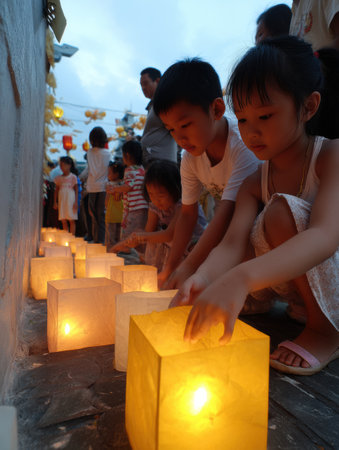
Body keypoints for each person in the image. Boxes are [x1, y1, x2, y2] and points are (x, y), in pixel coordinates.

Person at [172, 36, 339, 376]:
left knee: (278, 213)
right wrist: (202, 277)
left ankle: (326, 331)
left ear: (308, 107)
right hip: (296, 291)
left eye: (265, 115)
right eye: (243, 119)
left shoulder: (330, 156)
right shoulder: (253, 181)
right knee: (250, 235)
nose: (250, 133)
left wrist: (241, 279)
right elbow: (232, 243)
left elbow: (325, 235)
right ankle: (301, 310)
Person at [152, 58, 259, 288]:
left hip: (259, 229)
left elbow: (227, 214)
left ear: (217, 109)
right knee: (196, 252)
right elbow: (188, 215)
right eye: (171, 129)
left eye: (185, 125)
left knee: (203, 261)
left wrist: (188, 267)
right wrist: (170, 268)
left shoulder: (242, 147)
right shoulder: (190, 159)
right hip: (233, 231)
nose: (179, 138)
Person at [113, 160, 206, 270]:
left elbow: (169, 235)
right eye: (151, 194)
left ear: (174, 189)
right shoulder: (154, 206)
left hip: (192, 244)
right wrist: (129, 241)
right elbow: (149, 232)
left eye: (161, 195)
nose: (156, 200)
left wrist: (141, 237)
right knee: (152, 239)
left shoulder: (183, 205)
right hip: (172, 244)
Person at [107, 141, 148, 253]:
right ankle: (140, 252)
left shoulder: (129, 170)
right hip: (143, 207)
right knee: (140, 231)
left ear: (127, 155)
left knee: (128, 232)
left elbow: (128, 186)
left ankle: (124, 249)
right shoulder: (141, 169)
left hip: (133, 208)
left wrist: (114, 189)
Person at [140, 67, 178, 166]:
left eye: (145, 83)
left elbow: (178, 129)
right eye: (141, 85)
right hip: (152, 165)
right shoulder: (152, 106)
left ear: (157, 81)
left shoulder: (167, 101)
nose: (143, 88)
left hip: (163, 166)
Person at [87, 126, 111, 243]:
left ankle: (95, 240)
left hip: (91, 187)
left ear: (91, 139)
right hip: (103, 188)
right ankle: (100, 242)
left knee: (93, 216)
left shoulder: (89, 153)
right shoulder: (108, 154)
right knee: (101, 217)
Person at [53, 156, 78, 235]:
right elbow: (56, 190)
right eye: (60, 165)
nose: (61, 167)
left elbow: (76, 190)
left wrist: (76, 202)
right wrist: (55, 202)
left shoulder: (73, 177)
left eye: (63, 165)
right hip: (62, 200)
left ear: (69, 165)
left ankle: (72, 236)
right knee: (63, 219)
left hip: (70, 199)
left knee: (71, 219)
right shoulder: (58, 178)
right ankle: (66, 236)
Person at [105, 161, 124, 252]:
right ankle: (117, 248)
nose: (107, 175)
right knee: (118, 233)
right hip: (121, 212)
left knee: (110, 233)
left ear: (116, 174)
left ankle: (110, 249)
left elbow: (107, 199)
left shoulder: (109, 185)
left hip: (112, 212)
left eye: (109, 173)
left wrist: (106, 206)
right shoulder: (123, 184)